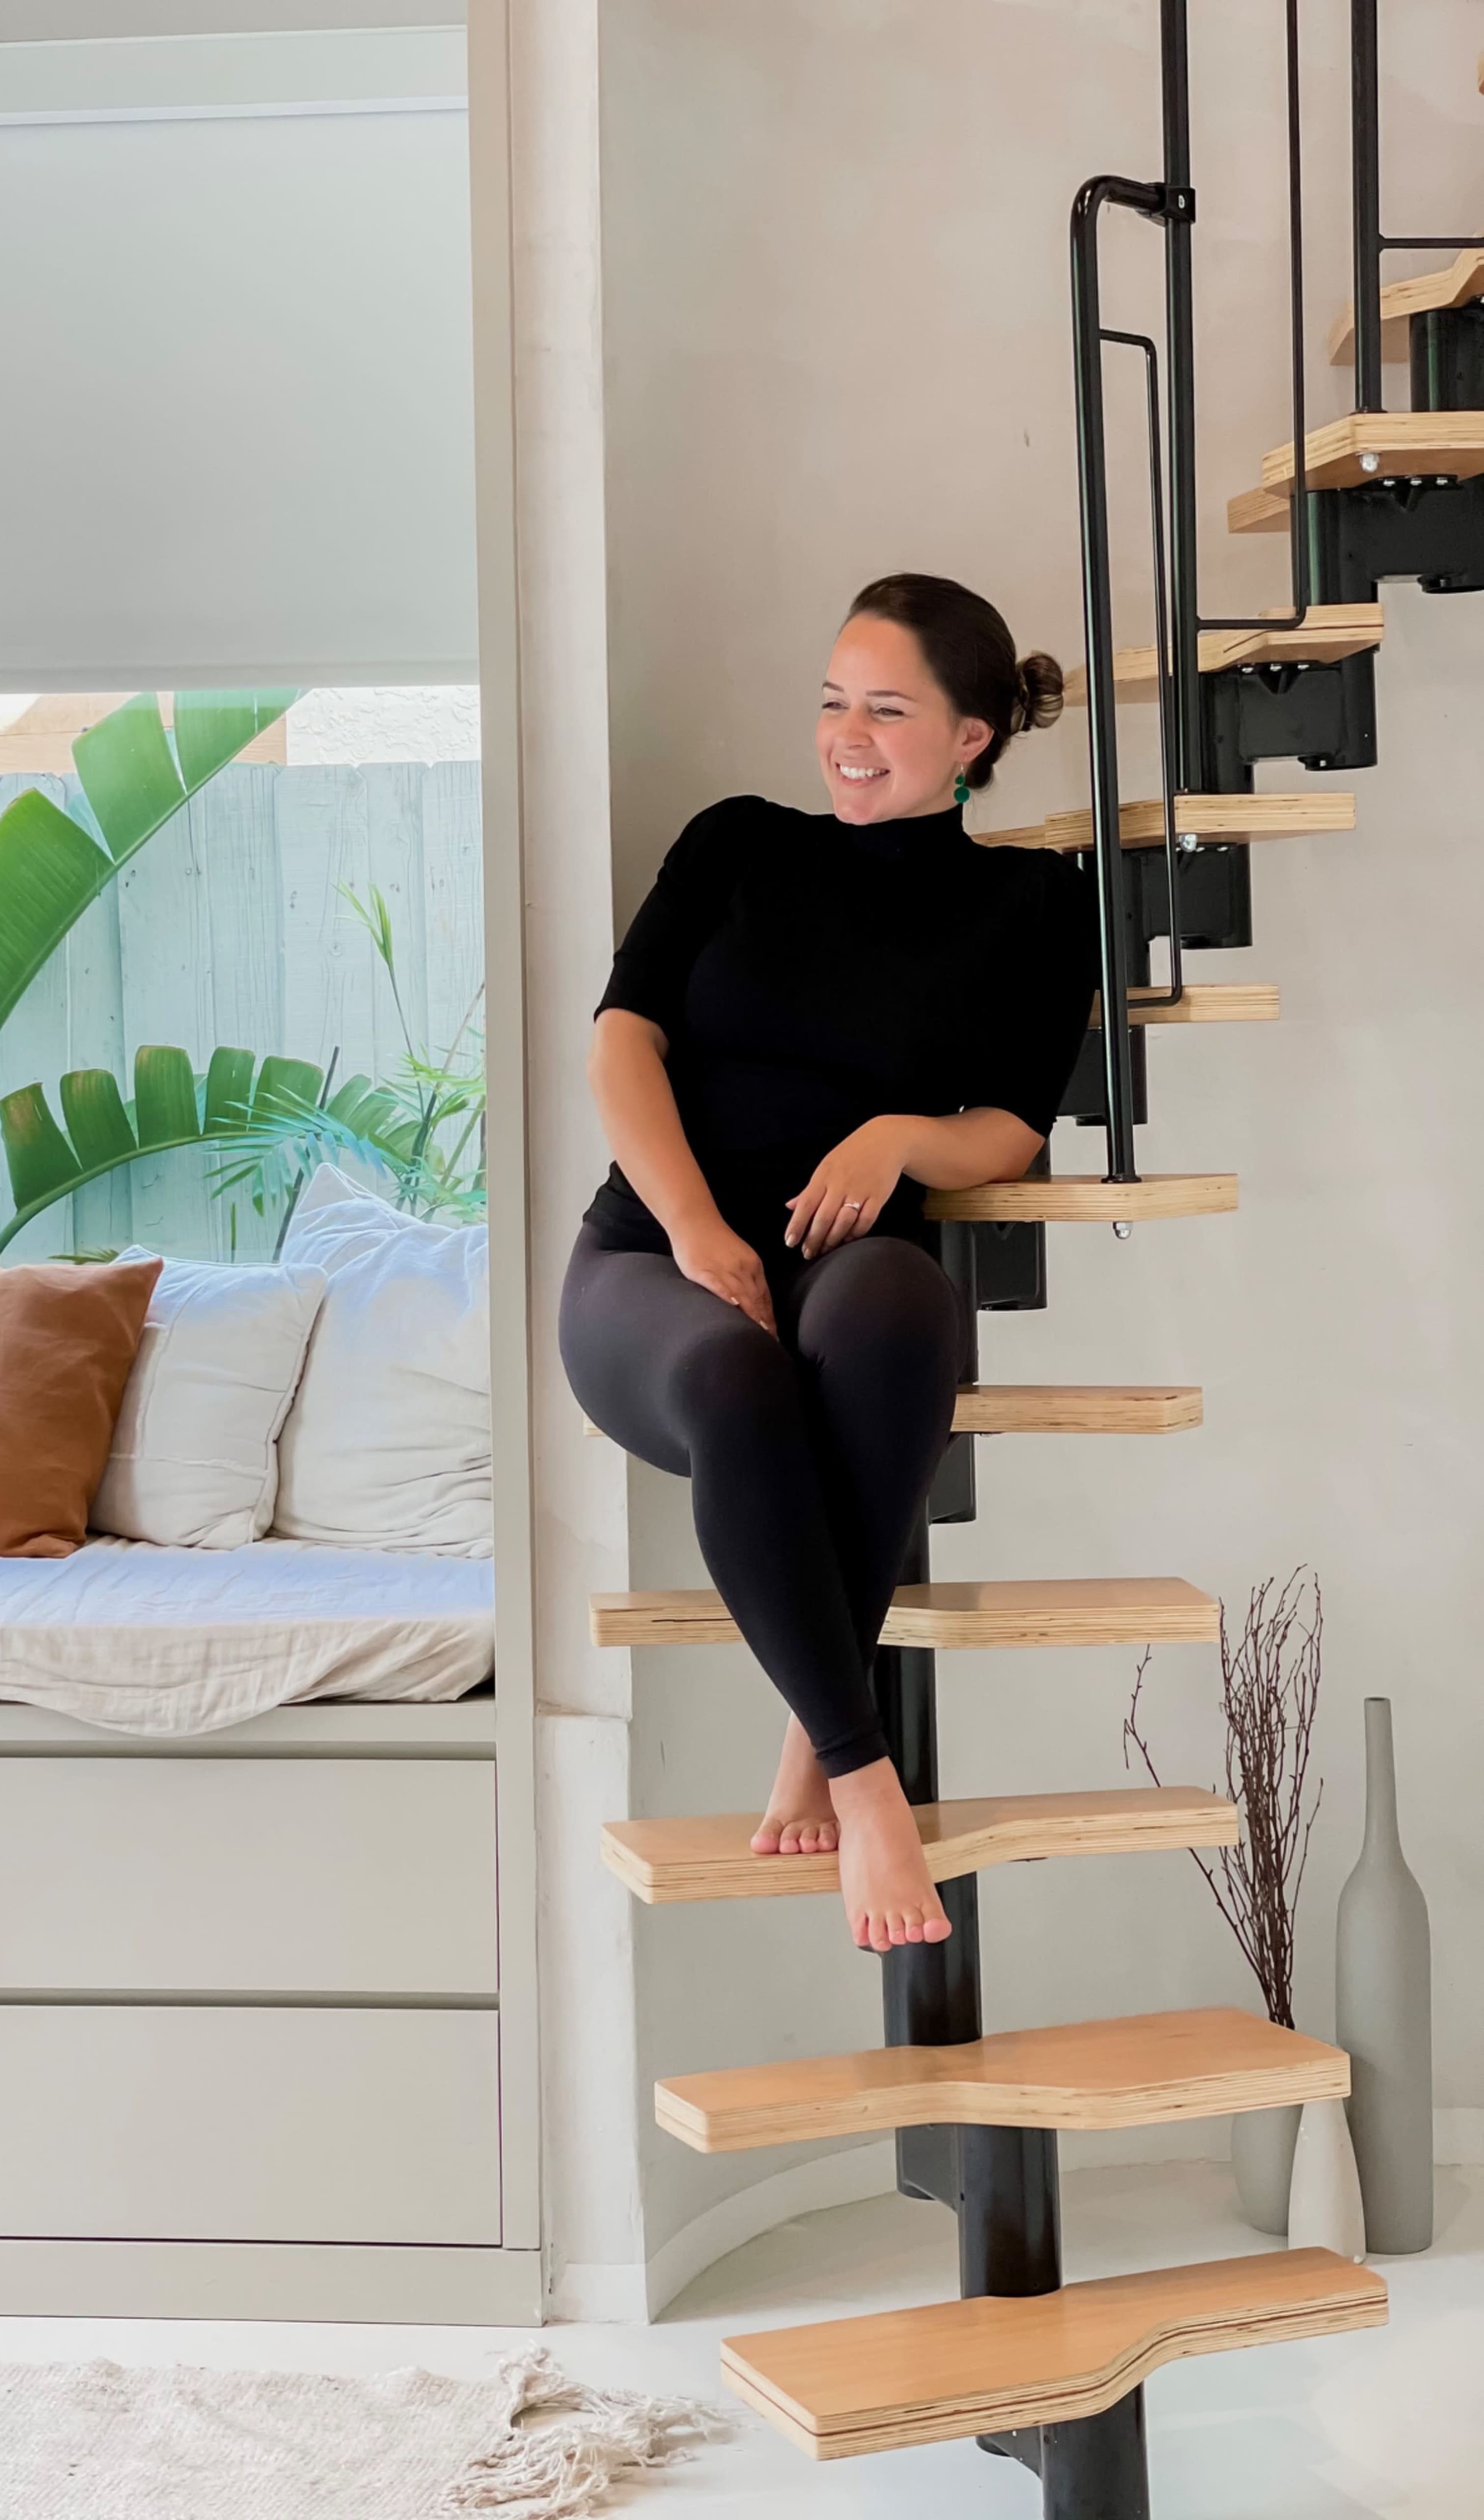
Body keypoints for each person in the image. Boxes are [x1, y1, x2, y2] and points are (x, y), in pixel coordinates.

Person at [559, 573, 1095, 1955]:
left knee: (910, 1306)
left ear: (972, 736)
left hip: (843, 1260)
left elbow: (1012, 1129)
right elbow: (621, 1046)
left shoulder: (1033, 901)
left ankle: (814, 1726)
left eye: (888, 711)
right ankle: (863, 1779)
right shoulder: (737, 843)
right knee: (735, 1378)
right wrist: (696, 1230)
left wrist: (899, 1136)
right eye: (832, 702)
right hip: (649, 1262)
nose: (847, 737)